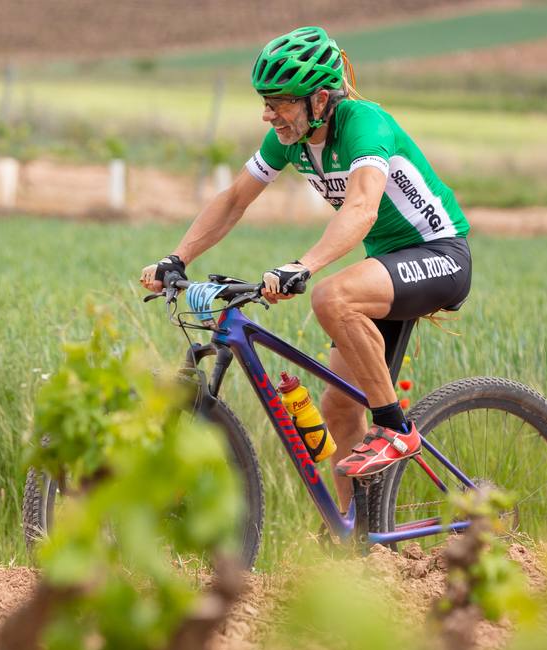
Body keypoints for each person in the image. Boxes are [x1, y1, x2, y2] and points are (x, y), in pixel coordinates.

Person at [140, 26, 471, 506]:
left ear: (319, 100)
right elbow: (234, 200)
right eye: (265, 101)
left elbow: (362, 209)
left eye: (280, 102)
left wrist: (304, 265)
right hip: (387, 266)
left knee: (331, 296)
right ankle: (354, 540)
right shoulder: (289, 140)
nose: (268, 113)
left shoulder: (364, 124)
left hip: (439, 254)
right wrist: (178, 258)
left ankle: (397, 430)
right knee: (338, 408)